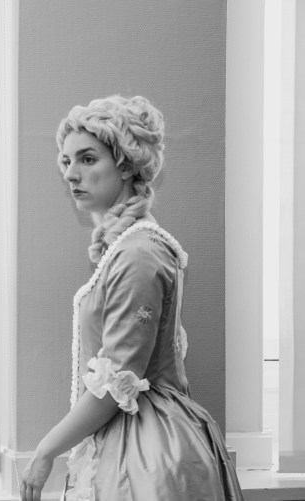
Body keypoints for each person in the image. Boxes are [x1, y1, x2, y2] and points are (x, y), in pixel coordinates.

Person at [19, 96, 244, 501]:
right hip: (137, 439)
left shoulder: (139, 254)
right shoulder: (130, 248)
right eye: (66, 161)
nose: (70, 173)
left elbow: (116, 384)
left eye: (87, 159)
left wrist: (45, 451)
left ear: (125, 165)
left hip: (146, 454)